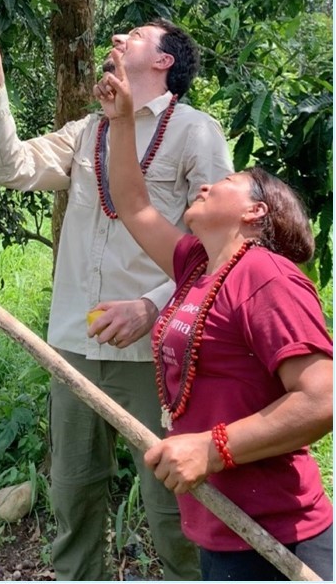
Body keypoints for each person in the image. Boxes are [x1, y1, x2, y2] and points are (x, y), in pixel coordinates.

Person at [0, 9, 234, 581]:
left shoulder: (196, 131)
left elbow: (221, 243)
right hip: (75, 348)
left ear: (164, 61)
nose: (116, 37)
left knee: (171, 510)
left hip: (154, 354)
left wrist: (152, 306)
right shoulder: (90, 130)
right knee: (74, 495)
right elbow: (11, 168)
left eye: (133, 36)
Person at [93, 49, 333, 581]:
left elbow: (323, 398)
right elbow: (133, 204)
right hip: (217, 522)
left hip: (276, 535)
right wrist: (124, 120)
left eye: (225, 184)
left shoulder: (267, 277)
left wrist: (212, 447)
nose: (205, 184)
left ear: (254, 212)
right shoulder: (197, 266)